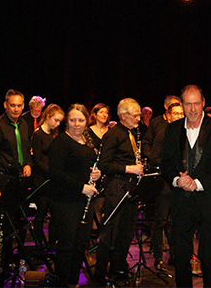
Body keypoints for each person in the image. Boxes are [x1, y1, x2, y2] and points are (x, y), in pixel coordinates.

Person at [160, 85, 211, 288]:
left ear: (203, 103)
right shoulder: (172, 130)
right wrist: (177, 180)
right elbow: (165, 164)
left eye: (196, 103)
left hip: (210, 203)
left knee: (209, 258)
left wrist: (197, 183)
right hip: (181, 203)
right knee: (180, 256)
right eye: (188, 104)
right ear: (181, 104)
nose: (192, 109)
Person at [48, 104, 101, 287]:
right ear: (66, 121)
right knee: (67, 246)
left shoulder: (87, 141)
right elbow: (55, 173)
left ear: (87, 121)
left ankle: (73, 282)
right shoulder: (61, 141)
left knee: (80, 245)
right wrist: (81, 187)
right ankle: (62, 283)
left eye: (81, 120)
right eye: (72, 120)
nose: (77, 124)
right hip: (65, 201)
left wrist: (96, 174)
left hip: (84, 200)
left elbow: (84, 167)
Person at [94, 98, 144, 285]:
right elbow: (104, 164)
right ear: (123, 116)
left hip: (130, 188)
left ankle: (118, 268)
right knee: (109, 231)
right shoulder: (113, 135)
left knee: (126, 231)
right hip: (116, 187)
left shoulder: (132, 133)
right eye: (135, 115)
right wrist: (129, 168)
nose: (138, 118)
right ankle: (100, 275)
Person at [0, 89, 32, 280]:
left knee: (15, 224)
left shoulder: (24, 124)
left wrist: (27, 163)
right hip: (2, 181)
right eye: (12, 105)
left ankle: (7, 261)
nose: (16, 109)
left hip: (18, 180)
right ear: (5, 105)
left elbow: (26, 149)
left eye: (19, 106)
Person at [142, 100, 184, 270]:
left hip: (183, 183)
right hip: (166, 183)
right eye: (176, 113)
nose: (179, 116)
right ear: (169, 116)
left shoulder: (189, 134)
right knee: (161, 220)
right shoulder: (162, 134)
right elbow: (154, 158)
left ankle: (175, 255)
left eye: (181, 113)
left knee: (178, 222)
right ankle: (158, 258)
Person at [31, 103, 64, 244]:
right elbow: (37, 159)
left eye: (59, 121)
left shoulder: (53, 135)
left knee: (55, 213)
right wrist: (50, 171)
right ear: (48, 117)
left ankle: (51, 243)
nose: (57, 124)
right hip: (41, 177)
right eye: (56, 120)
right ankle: (38, 243)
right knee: (41, 212)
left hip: (52, 177)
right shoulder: (38, 134)